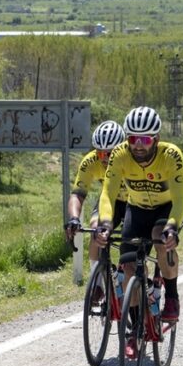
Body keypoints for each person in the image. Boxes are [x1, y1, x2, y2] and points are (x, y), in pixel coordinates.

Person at [96, 106, 183, 355]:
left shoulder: (171, 155)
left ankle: (172, 297)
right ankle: (135, 328)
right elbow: (108, 193)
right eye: (133, 138)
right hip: (136, 210)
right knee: (127, 268)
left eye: (144, 139)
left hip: (165, 209)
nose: (138, 145)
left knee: (160, 238)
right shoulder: (119, 155)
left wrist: (172, 226)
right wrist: (104, 222)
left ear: (155, 139)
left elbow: (180, 199)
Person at [64, 121, 129, 298]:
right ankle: (97, 283)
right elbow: (77, 194)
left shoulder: (130, 158)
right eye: (101, 152)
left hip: (134, 201)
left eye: (110, 153)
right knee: (95, 228)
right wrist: (74, 219)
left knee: (131, 243)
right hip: (111, 200)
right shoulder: (91, 161)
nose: (105, 158)